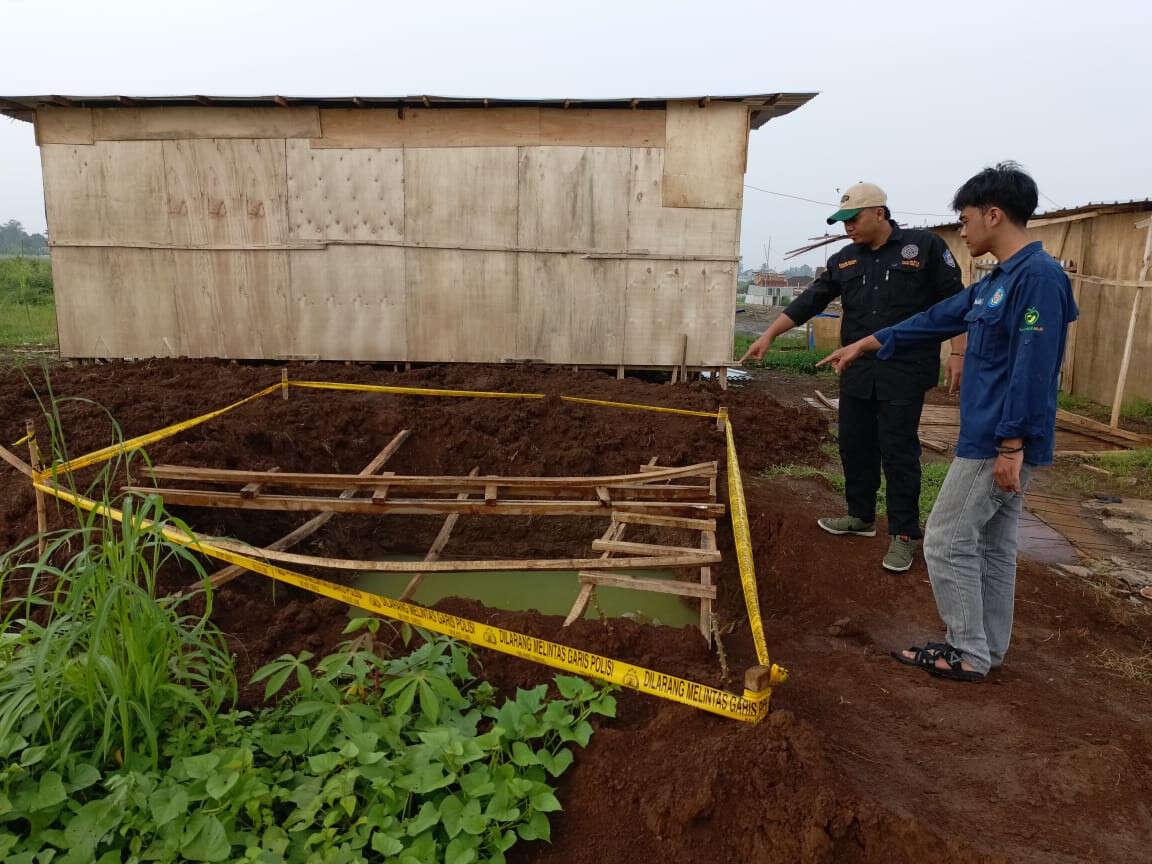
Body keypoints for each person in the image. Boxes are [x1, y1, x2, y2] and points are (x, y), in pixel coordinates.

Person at [817, 162, 1077, 682]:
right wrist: (867, 343)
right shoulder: (997, 282)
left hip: (997, 439)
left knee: (944, 539)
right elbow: (933, 320)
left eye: (965, 217)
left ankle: (966, 650)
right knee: (993, 544)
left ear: (994, 214)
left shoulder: (1039, 279)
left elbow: (1034, 367)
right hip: (990, 435)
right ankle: (988, 648)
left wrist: (1010, 444)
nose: (961, 228)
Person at [740, 182, 966, 572]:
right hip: (856, 370)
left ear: (880, 212)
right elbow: (810, 299)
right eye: (842, 221)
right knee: (855, 445)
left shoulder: (923, 247)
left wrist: (959, 352)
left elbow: (954, 302)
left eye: (853, 219)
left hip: (904, 370)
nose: (847, 227)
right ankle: (860, 517)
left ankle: (905, 534)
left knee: (898, 452)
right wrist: (768, 334)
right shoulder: (845, 259)